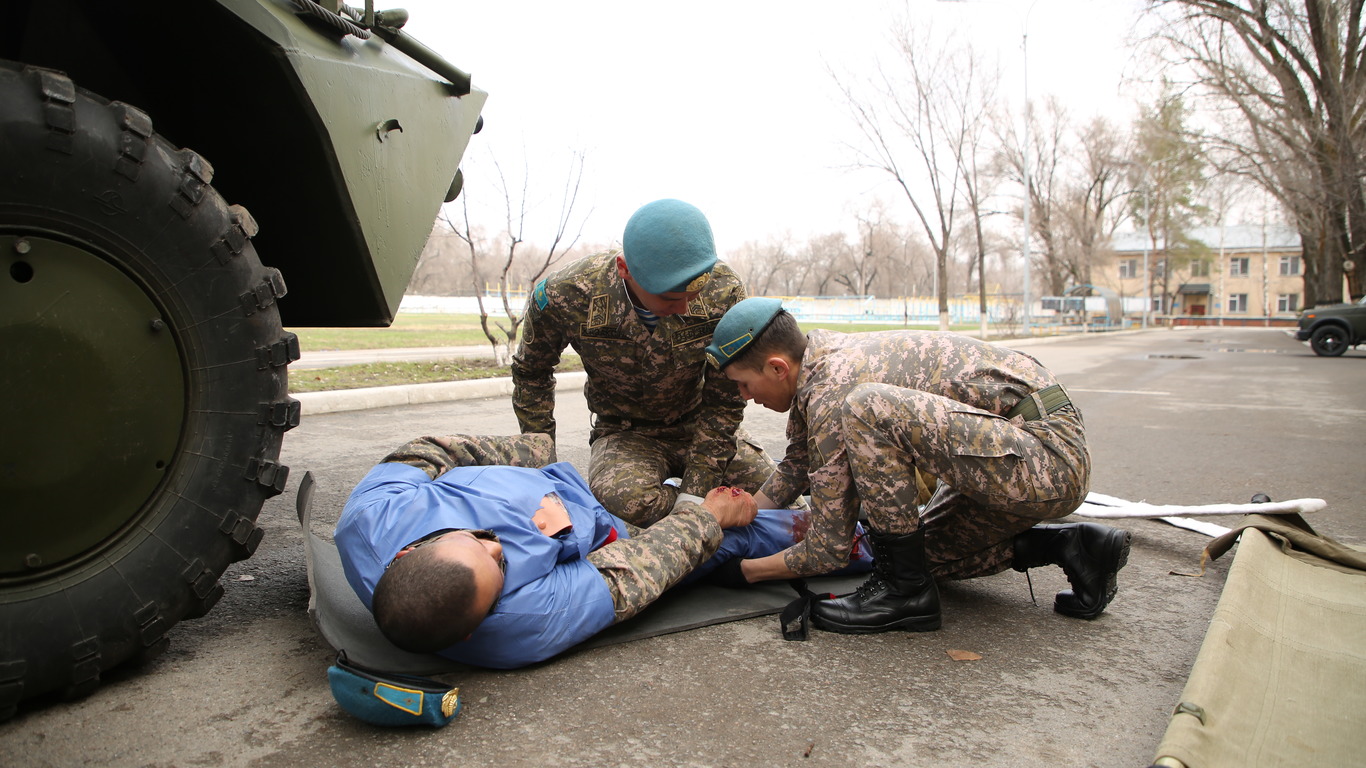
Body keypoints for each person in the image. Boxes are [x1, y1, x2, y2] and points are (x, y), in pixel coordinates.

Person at [702, 297, 1132, 634]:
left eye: (743, 383)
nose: (743, 396)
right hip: (1011, 450)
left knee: (865, 410)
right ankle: (1074, 548)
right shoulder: (817, 360)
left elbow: (829, 548)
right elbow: (798, 463)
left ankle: (902, 593)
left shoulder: (835, 386)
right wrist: (748, 511)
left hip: (1048, 458)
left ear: (777, 367)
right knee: (922, 558)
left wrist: (743, 572)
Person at [334, 433, 873, 669]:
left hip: (551, 480)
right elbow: (636, 570)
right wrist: (709, 517)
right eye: (500, 568)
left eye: (474, 541)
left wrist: (531, 449)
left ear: (403, 556)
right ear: (479, 624)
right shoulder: (521, 621)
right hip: (610, 535)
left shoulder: (369, 517)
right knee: (735, 537)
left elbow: (430, 450)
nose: (495, 544)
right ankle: (882, 539)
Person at [511, 198, 776, 527]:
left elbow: (724, 399)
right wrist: (542, 473)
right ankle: (719, 521)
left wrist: (693, 497)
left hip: (701, 429)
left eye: (692, 296)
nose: (682, 309)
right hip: (626, 434)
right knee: (625, 504)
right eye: (668, 298)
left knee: (776, 495)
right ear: (625, 269)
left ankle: (705, 517)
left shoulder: (723, 291)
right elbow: (531, 374)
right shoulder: (569, 294)